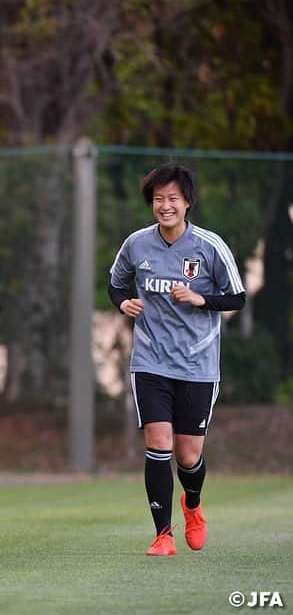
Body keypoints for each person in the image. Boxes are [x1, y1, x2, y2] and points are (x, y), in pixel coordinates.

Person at [109, 163, 246, 556]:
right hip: (150, 361)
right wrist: (124, 303)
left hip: (197, 365)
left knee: (189, 455)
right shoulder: (136, 244)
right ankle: (162, 535)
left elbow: (236, 297)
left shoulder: (210, 246)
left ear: (187, 202)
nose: (165, 206)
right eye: (158, 199)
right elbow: (115, 285)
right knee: (158, 443)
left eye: (172, 199)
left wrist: (201, 299)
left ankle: (194, 504)